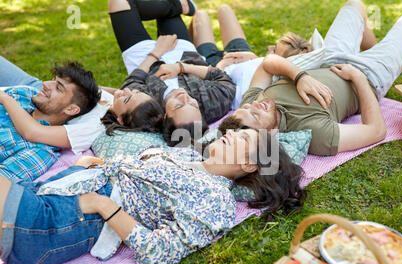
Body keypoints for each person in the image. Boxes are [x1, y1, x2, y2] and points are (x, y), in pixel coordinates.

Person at [0, 128, 306, 264]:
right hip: (57, 188)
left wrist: (103, 205)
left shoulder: (216, 201)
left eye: (243, 138)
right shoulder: (188, 155)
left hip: (64, 220)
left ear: (250, 165)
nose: (232, 132)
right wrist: (96, 165)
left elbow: (160, 251)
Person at [219, 0, 402, 156]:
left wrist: (299, 77)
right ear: (269, 136)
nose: (258, 104)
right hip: (369, 75)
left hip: (329, 57)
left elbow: (267, 63)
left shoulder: (251, 104)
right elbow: (376, 130)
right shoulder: (312, 134)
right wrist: (356, 77)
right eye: (257, 114)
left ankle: (378, 48)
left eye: (251, 106)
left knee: (355, 4)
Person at [108, 0, 237, 145]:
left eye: (178, 105)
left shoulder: (148, 107)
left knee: (118, 3)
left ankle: (181, 6)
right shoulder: (212, 106)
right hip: (183, 51)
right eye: (193, 105)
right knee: (164, 6)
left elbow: (133, 81)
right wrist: (181, 68)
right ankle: (180, 6)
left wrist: (158, 52)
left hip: (144, 57)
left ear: (164, 116)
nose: (184, 97)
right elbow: (220, 76)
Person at [0, 56, 165, 157]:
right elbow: (100, 90)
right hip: (41, 90)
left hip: (41, 100)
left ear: (122, 120)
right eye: (133, 92)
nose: (125, 91)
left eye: (128, 100)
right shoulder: (115, 101)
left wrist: (4, 97)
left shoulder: (94, 128)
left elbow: (33, 132)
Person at [190, 5, 325, 110]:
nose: (269, 47)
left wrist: (219, 66)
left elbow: (223, 90)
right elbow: (265, 62)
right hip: (244, 54)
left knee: (200, 17)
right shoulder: (272, 63)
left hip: (216, 66)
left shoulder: (258, 88)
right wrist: (254, 57)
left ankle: (187, 44)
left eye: (274, 50)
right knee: (224, 10)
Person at [0, 61, 101, 181]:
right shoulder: (25, 94)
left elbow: (3, 185)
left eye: (58, 88)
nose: (45, 84)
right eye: (52, 79)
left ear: (71, 109)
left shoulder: (40, 153)